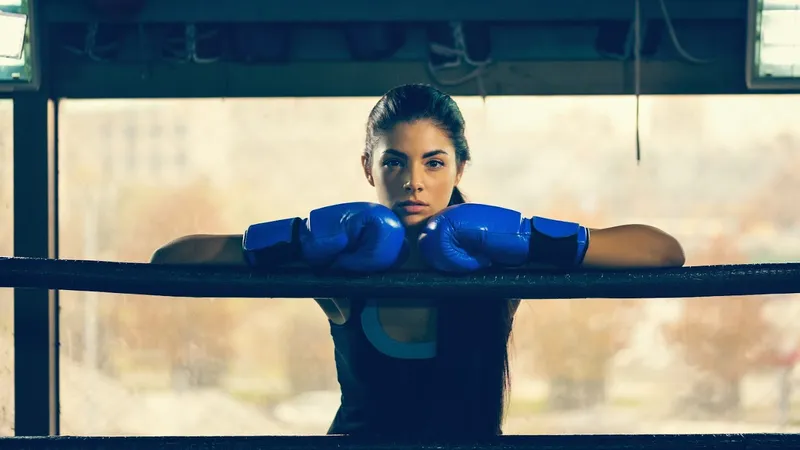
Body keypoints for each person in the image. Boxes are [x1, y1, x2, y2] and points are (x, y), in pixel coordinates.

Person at [151, 84, 685, 437]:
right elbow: (169, 260)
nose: (413, 181)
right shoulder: (338, 260)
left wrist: (532, 241)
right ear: (367, 167)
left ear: (460, 166)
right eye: (394, 162)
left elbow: (663, 253)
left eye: (434, 162)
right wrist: (295, 239)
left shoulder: (498, 255)